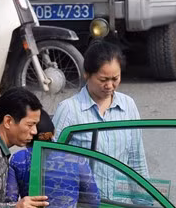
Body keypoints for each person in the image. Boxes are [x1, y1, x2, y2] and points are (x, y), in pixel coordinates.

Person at [52, 41, 149, 199]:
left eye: (115, 78)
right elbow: (51, 160)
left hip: (120, 207)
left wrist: (145, 205)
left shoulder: (128, 105)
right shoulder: (69, 110)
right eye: (103, 80)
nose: (110, 85)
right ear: (87, 74)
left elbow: (136, 158)